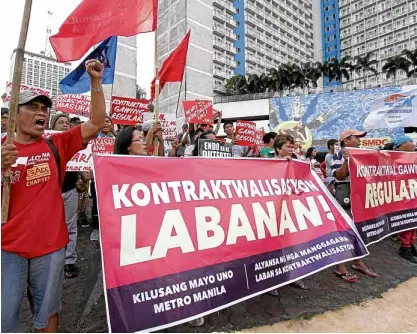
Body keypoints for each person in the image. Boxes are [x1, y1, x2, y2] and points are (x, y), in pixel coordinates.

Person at [1, 59, 105, 333]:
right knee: (4, 318)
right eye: (33, 108)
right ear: (14, 112)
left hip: (50, 247)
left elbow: (95, 123)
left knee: (47, 317)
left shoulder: (55, 143)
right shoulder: (2, 148)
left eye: (45, 109)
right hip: (6, 249)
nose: (42, 113)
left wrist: (95, 82)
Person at [331, 129, 378, 282]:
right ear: (346, 140)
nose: (359, 140)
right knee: (344, 231)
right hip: (345, 194)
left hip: (360, 195)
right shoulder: (338, 155)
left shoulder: (362, 153)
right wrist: (346, 161)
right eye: (356, 138)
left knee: (359, 229)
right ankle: (340, 267)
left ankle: (358, 261)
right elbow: (338, 176)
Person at [268, 134, 308, 295]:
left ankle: (293, 275)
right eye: (288, 147)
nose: (291, 150)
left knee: (292, 243)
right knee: (273, 246)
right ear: (278, 148)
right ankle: (272, 281)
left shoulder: (296, 163)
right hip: (273, 211)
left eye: (292, 147)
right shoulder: (267, 164)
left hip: (291, 209)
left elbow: (305, 179)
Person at [51, 113, 80, 278]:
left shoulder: (74, 145)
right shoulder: (46, 143)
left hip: (69, 191)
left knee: (70, 227)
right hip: (50, 193)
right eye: (60, 122)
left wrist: (87, 172)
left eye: (67, 122)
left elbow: (83, 166)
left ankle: (69, 260)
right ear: (53, 126)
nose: (64, 124)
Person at [393, 136, 417, 263]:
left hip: (413, 193)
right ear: (402, 144)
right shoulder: (392, 157)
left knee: (413, 220)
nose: (413, 144)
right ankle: (405, 247)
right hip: (402, 194)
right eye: (410, 142)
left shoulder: (414, 157)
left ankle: (411, 244)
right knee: (406, 221)